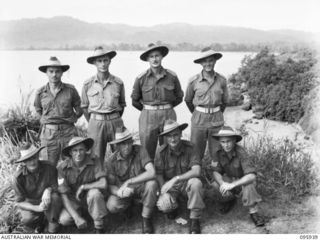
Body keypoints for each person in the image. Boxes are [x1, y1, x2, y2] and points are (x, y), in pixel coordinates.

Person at [131, 43, 184, 159]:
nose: (155, 59)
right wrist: (147, 110)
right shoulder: (141, 78)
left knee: (170, 148)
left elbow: (179, 97)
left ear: (162, 57)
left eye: (157, 56)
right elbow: (134, 100)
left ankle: (168, 175)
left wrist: (167, 107)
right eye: (151, 56)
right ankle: (148, 175)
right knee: (146, 150)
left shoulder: (172, 76)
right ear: (147, 59)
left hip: (168, 116)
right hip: (148, 118)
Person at [155, 120, 205, 234]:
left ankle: (194, 218)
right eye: (169, 136)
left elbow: (196, 171)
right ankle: (174, 207)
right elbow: (159, 173)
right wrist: (163, 192)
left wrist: (175, 179)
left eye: (175, 135)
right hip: (171, 187)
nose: (173, 139)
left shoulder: (191, 147)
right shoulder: (161, 152)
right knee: (163, 205)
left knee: (196, 183)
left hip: (187, 184)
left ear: (181, 134)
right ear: (165, 138)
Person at [105, 127, 158, 233]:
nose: (127, 147)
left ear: (132, 142)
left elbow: (152, 172)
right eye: (123, 144)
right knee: (112, 205)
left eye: (129, 143)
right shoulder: (111, 160)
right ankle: (128, 206)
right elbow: (110, 185)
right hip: (125, 191)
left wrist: (130, 181)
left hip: (141, 187)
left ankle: (146, 218)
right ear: (117, 145)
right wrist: (119, 193)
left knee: (152, 184)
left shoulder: (140, 150)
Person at [211, 126, 265, 227]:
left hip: (242, 180)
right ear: (219, 142)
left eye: (228, 141)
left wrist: (232, 185)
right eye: (223, 142)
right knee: (215, 184)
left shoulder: (241, 152)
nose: (226, 145)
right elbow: (215, 171)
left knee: (249, 185)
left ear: (234, 140)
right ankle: (229, 200)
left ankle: (253, 212)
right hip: (229, 179)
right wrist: (223, 184)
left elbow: (251, 176)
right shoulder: (217, 152)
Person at [34, 56, 83, 166]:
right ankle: (50, 184)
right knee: (48, 166)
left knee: (70, 164)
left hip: (68, 133)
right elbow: (37, 109)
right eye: (51, 71)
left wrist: (72, 119)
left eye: (57, 71)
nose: (54, 74)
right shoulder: (40, 92)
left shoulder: (70, 90)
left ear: (62, 73)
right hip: (48, 135)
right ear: (46, 73)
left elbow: (79, 108)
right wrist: (44, 120)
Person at [81, 46, 126, 165]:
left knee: (120, 154)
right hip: (95, 123)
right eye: (99, 61)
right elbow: (85, 107)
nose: (103, 64)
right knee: (95, 157)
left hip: (115, 122)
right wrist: (94, 120)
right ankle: (98, 181)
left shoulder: (118, 83)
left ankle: (120, 181)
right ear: (95, 63)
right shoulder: (87, 84)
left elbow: (122, 105)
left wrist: (113, 117)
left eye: (105, 60)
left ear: (110, 61)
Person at [184, 47, 228, 161]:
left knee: (217, 153)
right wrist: (197, 112)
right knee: (195, 152)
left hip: (217, 119)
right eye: (205, 61)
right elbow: (188, 100)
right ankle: (196, 176)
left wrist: (216, 112)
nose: (208, 63)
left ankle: (215, 176)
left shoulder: (222, 80)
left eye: (211, 60)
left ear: (215, 61)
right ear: (201, 63)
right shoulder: (193, 81)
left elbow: (225, 101)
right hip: (199, 119)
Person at [57, 137, 108, 233]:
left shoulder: (94, 160)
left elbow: (103, 183)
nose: (78, 153)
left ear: (86, 150)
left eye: (81, 149)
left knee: (95, 193)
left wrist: (84, 187)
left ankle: (99, 227)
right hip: (74, 201)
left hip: (90, 198)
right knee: (64, 220)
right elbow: (63, 195)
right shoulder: (62, 168)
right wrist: (76, 217)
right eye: (75, 150)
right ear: (70, 153)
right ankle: (82, 217)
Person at [12, 143, 62, 233]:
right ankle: (40, 222)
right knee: (27, 219)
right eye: (28, 159)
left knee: (55, 197)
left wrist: (48, 190)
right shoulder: (18, 177)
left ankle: (52, 220)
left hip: (49, 200)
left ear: (38, 156)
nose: (32, 162)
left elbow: (56, 186)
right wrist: (37, 208)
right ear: (23, 162)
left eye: (34, 157)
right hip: (32, 203)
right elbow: (19, 202)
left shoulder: (49, 167)